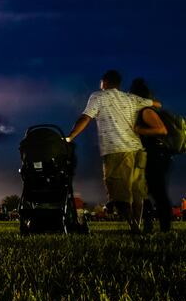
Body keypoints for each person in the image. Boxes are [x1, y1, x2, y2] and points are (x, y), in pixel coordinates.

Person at [66, 70, 161, 233]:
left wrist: (70, 137)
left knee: (118, 193)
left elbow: (85, 118)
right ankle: (136, 226)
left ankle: (134, 228)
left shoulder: (98, 97)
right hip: (137, 150)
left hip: (117, 151)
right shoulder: (130, 98)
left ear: (104, 82)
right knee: (136, 191)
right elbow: (156, 104)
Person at [130, 78, 172, 233]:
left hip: (158, 156)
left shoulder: (146, 112)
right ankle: (150, 226)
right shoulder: (145, 110)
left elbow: (161, 130)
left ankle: (165, 228)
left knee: (158, 192)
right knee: (148, 191)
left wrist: (139, 130)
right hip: (153, 155)